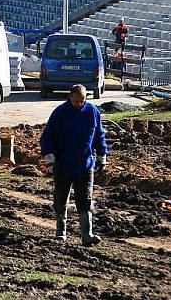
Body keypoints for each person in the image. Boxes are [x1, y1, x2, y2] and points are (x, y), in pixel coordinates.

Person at [40, 84, 109, 246]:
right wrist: (50, 160)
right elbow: (47, 137)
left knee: (85, 199)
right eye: (76, 101)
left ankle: (87, 234)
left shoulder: (92, 112)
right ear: (70, 97)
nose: (79, 104)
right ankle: (60, 233)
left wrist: (102, 156)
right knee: (61, 199)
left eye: (82, 101)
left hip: (85, 166)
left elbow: (99, 135)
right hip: (63, 165)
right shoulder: (60, 113)